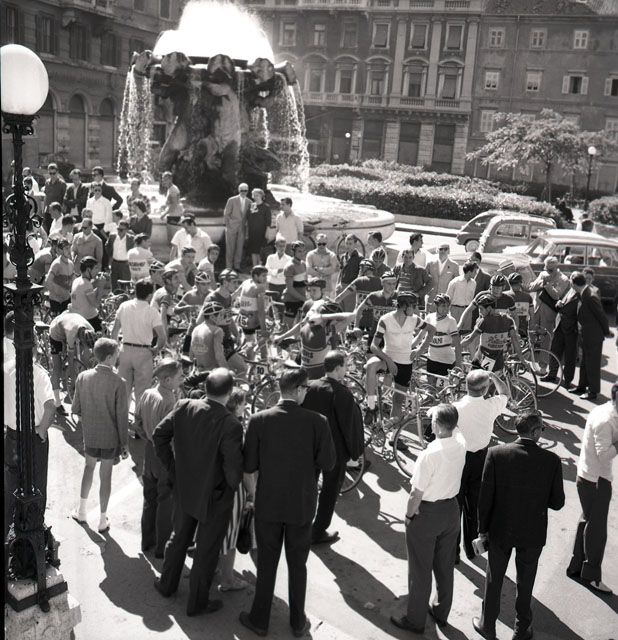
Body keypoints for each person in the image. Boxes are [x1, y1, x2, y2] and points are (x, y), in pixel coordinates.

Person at [240, 367, 336, 637]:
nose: (306, 393)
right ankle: (297, 621)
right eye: (305, 388)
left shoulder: (259, 420)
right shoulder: (318, 422)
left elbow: (249, 465)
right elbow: (329, 463)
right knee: (297, 565)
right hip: (301, 505)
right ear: (297, 390)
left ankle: (259, 619)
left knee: (267, 563)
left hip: (268, 503)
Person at [153, 368, 244, 616]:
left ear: (206, 387)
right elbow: (233, 467)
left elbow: (159, 435)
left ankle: (167, 584)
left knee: (179, 537)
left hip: (185, 487)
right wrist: (231, 488)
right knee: (206, 549)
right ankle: (197, 603)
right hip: (215, 495)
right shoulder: (231, 424)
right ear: (229, 393)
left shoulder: (184, 406)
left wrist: (173, 469)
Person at [474, 410, 565, 640]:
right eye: (541, 428)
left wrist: (482, 530)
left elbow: (485, 498)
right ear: (534, 432)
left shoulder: (496, 454)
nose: (542, 432)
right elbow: (557, 503)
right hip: (532, 532)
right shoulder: (551, 461)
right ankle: (521, 629)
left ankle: (488, 626)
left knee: (494, 579)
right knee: (526, 583)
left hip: (500, 529)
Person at [390, 404, 466, 634]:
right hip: (451, 510)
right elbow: (456, 426)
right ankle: (441, 612)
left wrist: (408, 516)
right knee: (444, 566)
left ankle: (415, 620)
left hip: (427, 514)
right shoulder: (461, 443)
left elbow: (416, 494)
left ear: (437, 426)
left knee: (420, 570)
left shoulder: (428, 455)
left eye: (432, 421)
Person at [302, 350, 364, 545]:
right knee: (329, 491)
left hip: (311, 447)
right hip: (334, 452)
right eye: (345, 366)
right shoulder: (342, 393)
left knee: (308, 488)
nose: (346, 370)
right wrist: (354, 452)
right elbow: (349, 427)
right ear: (337, 368)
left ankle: (302, 526)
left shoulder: (310, 387)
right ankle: (318, 531)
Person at [4, 315, 56, 540]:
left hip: (11, 435)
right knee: (36, 484)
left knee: (10, 484)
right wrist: (41, 431)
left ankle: (8, 529)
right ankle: (33, 530)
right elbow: (50, 407)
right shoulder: (39, 374)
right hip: (32, 436)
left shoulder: (6, 369)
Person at [70, 338, 129, 533]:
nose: (118, 356)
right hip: (110, 438)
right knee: (106, 476)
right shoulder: (119, 383)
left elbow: (76, 408)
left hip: (91, 435)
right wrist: (124, 444)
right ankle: (103, 519)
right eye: (117, 353)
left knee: (88, 468)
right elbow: (122, 418)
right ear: (110, 357)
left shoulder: (83, 377)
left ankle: (82, 511)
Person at [567, 382, 618, 594]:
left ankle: (576, 567)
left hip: (589, 477)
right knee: (597, 530)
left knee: (588, 521)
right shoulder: (606, 421)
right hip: (596, 480)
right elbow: (604, 455)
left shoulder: (603, 411)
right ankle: (591, 576)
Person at [453, 370, 509, 562]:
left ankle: (453, 552)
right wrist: (494, 377)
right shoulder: (490, 406)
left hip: (459, 459)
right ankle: (471, 549)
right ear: (485, 389)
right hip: (480, 459)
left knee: (455, 505)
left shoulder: (456, 407)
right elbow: (505, 393)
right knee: (474, 505)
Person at [134, 358, 183, 558]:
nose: (182, 379)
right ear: (168, 379)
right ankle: (162, 547)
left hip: (149, 451)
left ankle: (147, 541)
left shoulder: (147, 394)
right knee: (165, 501)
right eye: (180, 377)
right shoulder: (171, 402)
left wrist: (147, 436)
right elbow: (174, 435)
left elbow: (137, 423)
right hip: (165, 455)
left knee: (149, 498)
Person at [365, 292, 435, 423]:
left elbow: (432, 329)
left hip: (405, 364)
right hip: (387, 359)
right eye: (413, 306)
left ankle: (393, 433)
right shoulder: (385, 320)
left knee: (397, 401)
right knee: (370, 365)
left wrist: (420, 350)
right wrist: (388, 360)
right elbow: (374, 346)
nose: (416, 309)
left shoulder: (414, 319)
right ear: (403, 306)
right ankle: (371, 406)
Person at [218, 387, 256, 592]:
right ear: (236, 405)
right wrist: (253, 493)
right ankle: (228, 580)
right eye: (243, 403)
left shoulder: (215, 420)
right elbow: (244, 470)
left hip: (213, 487)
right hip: (232, 491)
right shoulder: (235, 429)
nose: (246, 406)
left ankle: (215, 569)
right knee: (230, 537)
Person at [111, 279, 166, 411]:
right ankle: (139, 420)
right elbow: (162, 336)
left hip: (125, 351)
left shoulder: (124, 306)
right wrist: (156, 349)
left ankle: (122, 420)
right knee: (142, 393)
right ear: (149, 295)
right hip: (143, 353)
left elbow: (114, 331)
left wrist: (116, 351)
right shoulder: (152, 312)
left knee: (123, 393)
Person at [461, 293, 527, 373]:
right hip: (498, 360)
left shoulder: (484, 321)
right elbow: (515, 340)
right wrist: (522, 359)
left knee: (475, 379)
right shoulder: (508, 319)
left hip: (482, 359)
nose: (480, 312)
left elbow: (470, 339)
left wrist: (456, 348)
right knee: (494, 379)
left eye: (481, 309)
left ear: (489, 308)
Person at [570, 271, 612, 400]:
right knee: (584, 362)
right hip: (586, 334)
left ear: (574, 284)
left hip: (593, 336)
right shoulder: (584, 293)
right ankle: (582, 386)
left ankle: (593, 391)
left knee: (592, 363)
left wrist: (606, 332)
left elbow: (601, 315)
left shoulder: (590, 296)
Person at [528, 256, 570, 372]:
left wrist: (547, 285)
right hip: (536, 310)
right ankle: (530, 361)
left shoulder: (563, 279)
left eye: (551, 270)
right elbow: (531, 287)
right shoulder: (543, 274)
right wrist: (541, 282)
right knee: (531, 335)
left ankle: (543, 366)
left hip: (549, 313)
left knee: (546, 339)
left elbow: (556, 296)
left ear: (557, 267)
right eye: (546, 268)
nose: (548, 272)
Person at [48, 312, 95, 409]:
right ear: (81, 338)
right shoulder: (71, 333)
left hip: (69, 321)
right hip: (56, 333)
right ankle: (57, 403)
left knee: (83, 355)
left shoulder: (90, 329)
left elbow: (89, 351)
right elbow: (70, 360)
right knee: (57, 368)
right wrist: (73, 382)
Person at [547, 274, 579, 387]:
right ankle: (552, 374)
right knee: (554, 350)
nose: (571, 283)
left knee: (570, 355)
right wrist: (558, 303)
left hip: (571, 328)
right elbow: (561, 302)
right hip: (560, 325)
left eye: (573, 281)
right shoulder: (569, 290)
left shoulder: (581, 294)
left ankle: (568, 380)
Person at [424, 293, 463, 377]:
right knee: (430, 384)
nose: (446, 309)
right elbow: (422, 337)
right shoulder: (429, 318)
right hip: (431, 359)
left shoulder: (451, 321)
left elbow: (457, 344)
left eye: (448, 306)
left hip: (446, 361)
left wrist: (458, 364)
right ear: (436, 306)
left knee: (442, 385)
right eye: (443, 306)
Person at [353, 270, 397, 343]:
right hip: (375, 334)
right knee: (369, 350)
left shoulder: (399, 297)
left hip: (393, 335)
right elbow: (360, 309)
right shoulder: (374, 296)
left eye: (394, 284)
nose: (392, 287)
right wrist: (356, 327)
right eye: (389, 284)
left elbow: (412, 311)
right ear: (382, 283)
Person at [335, 259, 381, 323]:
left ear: (365, 268)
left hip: (358, 317)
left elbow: (340, 297)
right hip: (374, 318)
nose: (359, 270)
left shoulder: (358, 281)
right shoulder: (381, 281)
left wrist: (332, 303)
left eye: (361, 268)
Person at [237, 265, 268, 356]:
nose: (266, 278)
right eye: (263, 276)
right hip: (253, 322)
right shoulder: (260, 287)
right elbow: (261, 310)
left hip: (243, 319)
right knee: (262, 343)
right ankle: (263, 360)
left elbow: (234, 294)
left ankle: (248, 360)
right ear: (255, 276)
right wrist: (264, 329)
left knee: (249, 344)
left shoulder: (246, 282)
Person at [190, 301, 228, 371]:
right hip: (213, 373)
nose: (223, 317)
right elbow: (219, 357)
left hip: (199, 372)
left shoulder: (196, 329)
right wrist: (227, 371)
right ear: (212, 317)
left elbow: (191, 355)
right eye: (221, 315)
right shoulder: (217, 331)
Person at [71, 256, 104, 332]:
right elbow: (96, 304)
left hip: (78, 318)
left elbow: (87, 296)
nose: (97, 271)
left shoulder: (77, 280)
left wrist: (97, 285)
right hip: (89, 320)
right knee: (106, 331)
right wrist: (101, 287)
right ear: (88, 269)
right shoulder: (86, 284)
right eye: (95, 268)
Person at [224, 183, 251, 270]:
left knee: (239, 248)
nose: (243, 192)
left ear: (247, 191)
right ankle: (229, 267)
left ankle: (237, 266)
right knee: (230, 248)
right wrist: (228, 226)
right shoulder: (231, 200)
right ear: (239, 190)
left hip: (242, 228)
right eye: (242, 190)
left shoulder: (249, 202)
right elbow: (226, 214)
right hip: (232, 227)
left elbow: (249, 216)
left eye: (245, 190)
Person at [425, 243, 459, 310]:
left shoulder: (454, 265)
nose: (443, 251)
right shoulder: (430, 264)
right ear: (437, 250)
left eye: (445, 249)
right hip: (431, 299)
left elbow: (456, 284)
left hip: (445, 301)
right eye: (441, 249)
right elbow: (424, 280)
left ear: (448, 251)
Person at [45, 238, 74, 314]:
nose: (69, 251)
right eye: (66, 248)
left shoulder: (71, 264)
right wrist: (55, 296)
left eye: (70, 248)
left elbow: (72, 281)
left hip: (67, 300)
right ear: (60, 250)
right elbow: (48, 281)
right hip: (57, 301)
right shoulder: (57, 264)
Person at [282, 241, 308, 328]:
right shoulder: (290, 266)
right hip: (291, 301)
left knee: (301, 327)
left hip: (302, 300)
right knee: (287, 327)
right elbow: (290, 289)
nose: (302, 253)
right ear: (293, 252)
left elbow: (305, 282)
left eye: (303, 251)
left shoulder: (303, 264)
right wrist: (303, 299)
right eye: (299, 251)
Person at [305, 233, 339, 299]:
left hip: (326, 287)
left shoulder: (332, 255)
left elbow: (332, 269)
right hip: (313, 287)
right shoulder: (310, 255)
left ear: (326, 243)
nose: (321, 246)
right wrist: (323, 273)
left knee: (325, 304)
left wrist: (319, 269)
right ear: (316, 243)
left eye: (323, 244)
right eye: (319, 244)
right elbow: (308, 269)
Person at [446, 261, 478, 329]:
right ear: (469, 272)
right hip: (455, 310)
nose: (476, 273)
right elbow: (448, 298)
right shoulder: (455, 282)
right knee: (454, 330)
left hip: (468, 311)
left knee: (466, 332)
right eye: (475, 271)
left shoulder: (474, 283)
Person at [105, 219, 135, 291]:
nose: (119, 231)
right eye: (118, 229)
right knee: (114, 285)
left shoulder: (131, 239)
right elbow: (107, 247)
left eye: (121, 230)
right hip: (114, 264)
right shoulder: (112, 237)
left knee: (125, 286)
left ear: (126, 230)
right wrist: (110, 258)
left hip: (125, 265)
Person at [337, 234, 362, 312]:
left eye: (350, 244)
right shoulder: (343, 257)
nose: (348, 246)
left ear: (355, 244)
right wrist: (337, 285)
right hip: (341, 286)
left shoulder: (360, 258)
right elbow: (341, 272)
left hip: (351, 289)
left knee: (349, 312)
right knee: (339, 310)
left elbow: (360, 275)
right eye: (346, 243)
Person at [247, 188, 271, 266]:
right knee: (253, 250)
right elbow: (248, 218)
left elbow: (268, 221)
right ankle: (254, 266)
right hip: (252, 232)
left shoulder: (266, 207)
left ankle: (260, 267)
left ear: (261, 196)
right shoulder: (251, 206)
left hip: (262, 232)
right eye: (254, 195)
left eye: (257, 195)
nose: (255, 197)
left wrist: (267, 232)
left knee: (260, 250)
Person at [265, 235, 292, 302]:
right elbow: (266, 270)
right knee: (271, 304)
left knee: (282, 304)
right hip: (272, 284)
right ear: (276, 246)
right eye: (280, 246)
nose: (282, 248)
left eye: (284, 246)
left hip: (283, 284)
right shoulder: (270, 257)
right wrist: (276, 271)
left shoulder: (289, 259)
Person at [43, 163, 67, 231]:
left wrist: (62, 211)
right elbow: (46, 196)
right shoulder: (47, 183)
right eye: (50, 173)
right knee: (48, 230)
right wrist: (44, 209)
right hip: (48, 211)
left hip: (57, 212)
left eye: (54, 173)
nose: (52, 175)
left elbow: (64, 199)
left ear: (57, 172)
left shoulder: (62, 184)